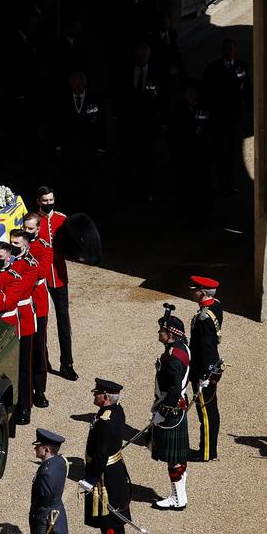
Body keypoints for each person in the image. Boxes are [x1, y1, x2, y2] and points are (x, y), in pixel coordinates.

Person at [78, 379, 132, 534]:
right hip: (114, 470)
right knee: (112, 523)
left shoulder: (105, 421)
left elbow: (100, 454)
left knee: (109, 522)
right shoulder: (115, 411)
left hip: (105, 476)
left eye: (97, 393)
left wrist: (91, 478)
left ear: (106, 397)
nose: (95, 396)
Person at [0, 237, 37, 424]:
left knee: (23, 368)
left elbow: (8, 302)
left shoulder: (14, 276)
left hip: (14, 322)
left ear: (8, 258)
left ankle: (24, 407)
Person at [34, 186, 77, 381]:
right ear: (39, 201)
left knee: (63, 322)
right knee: (41, 323)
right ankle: (42, 361)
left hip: (58, 276)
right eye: (45, 200)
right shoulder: (33, 221)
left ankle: (67, 364)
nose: (49, 204)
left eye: (51, 200)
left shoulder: (62, 219)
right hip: (40, 278)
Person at [150, 312, 191, 511]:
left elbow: (174, 388)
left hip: (172, 408)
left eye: (162, 330)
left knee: (174, 460)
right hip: (178, 406)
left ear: (171, 334)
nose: (159, 333)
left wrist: (164, 412)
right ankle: (180, 495)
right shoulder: (182, 348)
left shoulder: (173, 358)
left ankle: (177, 498)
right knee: (178, 458)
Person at [52, 71, 106, 213]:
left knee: (86, 182)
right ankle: (69, 210)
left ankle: (86, 210)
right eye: (75, 83)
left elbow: (102, 124)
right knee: (68, 181)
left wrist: (101, 147)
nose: (78, 86)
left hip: (89, 149)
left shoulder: (95, 99)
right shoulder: (62, 100)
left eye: (80, 82)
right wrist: (57, 146)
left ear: (85, 83)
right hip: (68, 149)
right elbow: (56, 125)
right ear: (70, 84)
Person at [204, 38, 251, 196]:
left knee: (232, 152)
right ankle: (220, 185)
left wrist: (251, 109)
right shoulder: (212, 68)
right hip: (219, 115)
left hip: (234, 115)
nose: (229, 52)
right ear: (223, 51)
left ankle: (229, 185)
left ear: (235, 51)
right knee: (219, 151)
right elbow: (207, 92)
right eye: (226, 49)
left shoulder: (241, 66)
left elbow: (247, 89)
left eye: (231, 49)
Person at [116, 42, 162, 201]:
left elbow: (163, 98)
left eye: (145, 55)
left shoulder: (156, 73)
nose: (142, 58)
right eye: (139, 55)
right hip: (128, 123)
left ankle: (145, 190)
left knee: (145, 160)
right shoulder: (125, 71)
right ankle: (126, 191)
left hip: (147, 124)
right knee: (126, 158)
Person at [168, 80, 215, 227]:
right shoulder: (180, 108)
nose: (190, 95)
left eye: (192, 92)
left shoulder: (204, 108)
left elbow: (211, 129)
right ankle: (187, 214)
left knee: (200, 185)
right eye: (187, 92)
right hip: (185, 153)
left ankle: (201, 215)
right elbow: (174, 131)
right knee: (186, 184)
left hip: (200, 154)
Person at [188, 276, 224, 461]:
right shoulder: (215, 306)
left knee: (206, 413)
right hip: (210, 366)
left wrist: (205, 373)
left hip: (203, 370)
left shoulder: (203, 318)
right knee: (209, 410)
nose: (192, 292)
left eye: (194, 289)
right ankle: (208, 449)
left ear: (202, 292)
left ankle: (207, 452)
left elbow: (205, 348)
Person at [22, 212, 51, 407]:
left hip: (37, 301)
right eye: (25, 228)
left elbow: (41, 271)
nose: (27, 232)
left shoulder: (44, 248)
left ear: (38, 229)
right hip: (23, 303)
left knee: (39, 349)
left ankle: (39, 389)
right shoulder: (17, 245)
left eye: (30, 229)